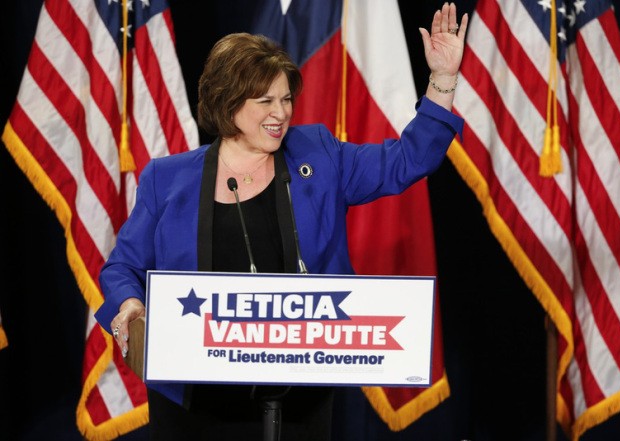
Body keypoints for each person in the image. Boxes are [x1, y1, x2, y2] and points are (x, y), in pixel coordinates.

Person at [95, 2, 468, 440]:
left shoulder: (319, 155)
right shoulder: (168, 178)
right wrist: (130, 305)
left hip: (298, 399)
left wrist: (442, 79)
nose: (282, 113)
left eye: (287, 98)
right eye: (265, 100)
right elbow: (122, 267)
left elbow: (409, 160)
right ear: (227, 101)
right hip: (194, 404)